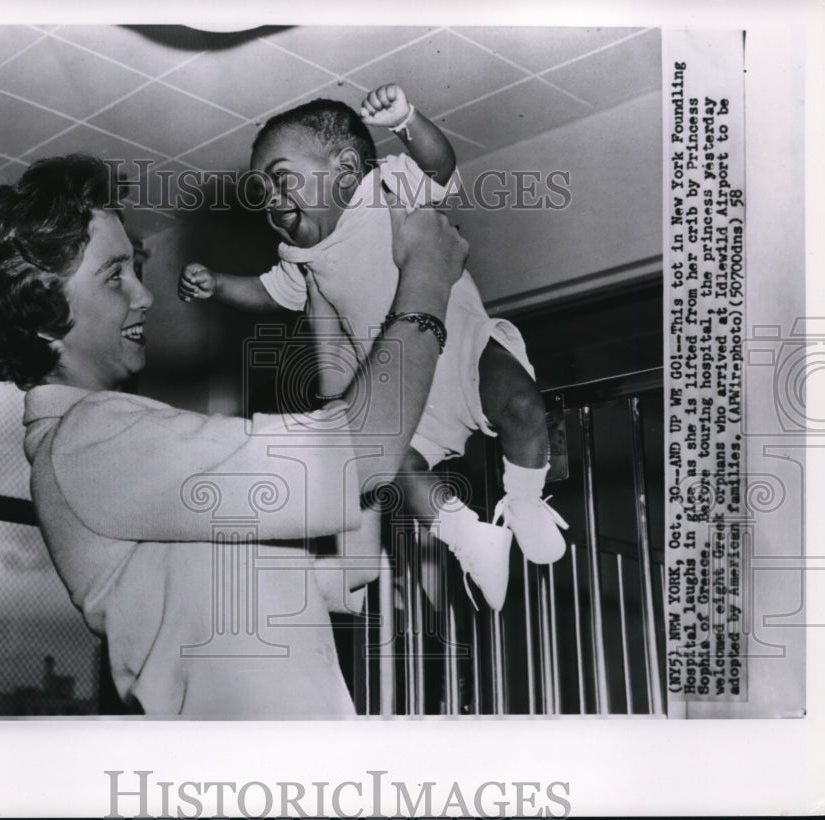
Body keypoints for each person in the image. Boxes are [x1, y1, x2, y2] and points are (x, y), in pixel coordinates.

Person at [0, 153, 467, 718]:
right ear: (42, 316)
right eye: (113, 276)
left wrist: (328, 308)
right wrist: (426, 279)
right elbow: (360, 458)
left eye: (136, 270)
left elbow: (352, 563)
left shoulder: (105, 450)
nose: (144, 296)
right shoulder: (91, 441)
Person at [178, 84, 568, 611]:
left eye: (279, 178)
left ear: (343, 169)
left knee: (524, 404)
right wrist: (220, 285)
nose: (268, 199)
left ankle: (524, 500)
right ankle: (468, 535)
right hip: (402, 387)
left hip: (463, 354)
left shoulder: (387, 191)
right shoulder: (302, 256)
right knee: (395, 466)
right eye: (260, 190)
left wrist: (407, 119)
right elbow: (269, 293)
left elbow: (438, 164)